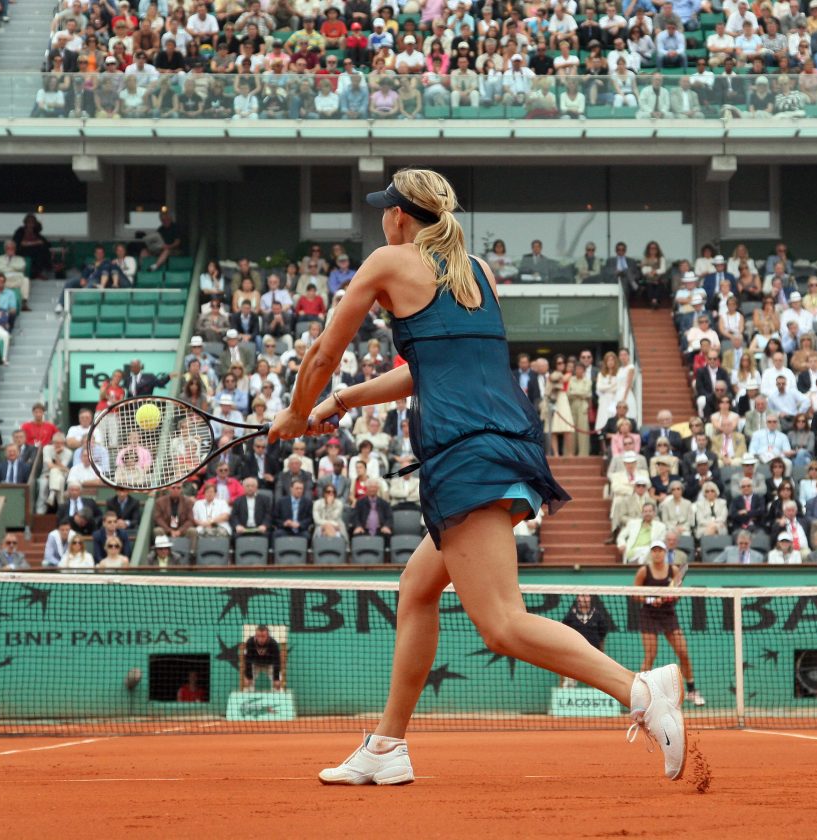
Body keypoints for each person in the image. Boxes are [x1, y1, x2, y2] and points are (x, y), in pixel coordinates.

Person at [275, 169, 686, 785]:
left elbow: (323, 353)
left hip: (465, 454)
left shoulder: (387, 262)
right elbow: (432, 369)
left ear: (399, 217)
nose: (382, 219)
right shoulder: (477, 274)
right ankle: (387, 747)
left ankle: (639, 690)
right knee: (416, 591)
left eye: (386, 210)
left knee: (500, 623)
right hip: (502, 444)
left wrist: (297, 411)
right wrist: (340, 404)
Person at [632, 541, 705, 706]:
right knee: (650, 655)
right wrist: (651, 600)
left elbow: (677, 594)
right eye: (654, 551)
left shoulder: (673, 570)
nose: (657, 553)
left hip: (667, 614)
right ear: (651, 553)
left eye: (660, 550)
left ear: (665, 553)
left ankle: (692, 690)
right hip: (648, 615)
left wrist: (668, 597)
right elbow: (634, 594)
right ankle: (641, 696)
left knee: (683, 652)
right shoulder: (644, 571)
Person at [559, 594, 610, 688]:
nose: (584, 599)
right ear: (578, 598)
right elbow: (564, 632)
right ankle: (566, 696)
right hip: (574, 653)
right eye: (582, 596)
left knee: (598, 678)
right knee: (568, 679)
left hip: (594, 653)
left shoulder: (597, 615)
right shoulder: (570, 616)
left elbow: (602, 635)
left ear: (590, 598)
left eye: (586, 596)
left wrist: (601, 651)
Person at [243, 624, 283, 691]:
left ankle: (278, 698)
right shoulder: (250, 642)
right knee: (247, 685)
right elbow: (248, 660)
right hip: (255, 664)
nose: (261, 639)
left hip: (269, 665)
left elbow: (277, 661)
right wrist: (248, 676)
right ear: (255, 636)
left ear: (268, 636)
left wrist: (276, 679)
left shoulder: (273, 644)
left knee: (278, 683)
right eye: (258, 636)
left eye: (263, 636)